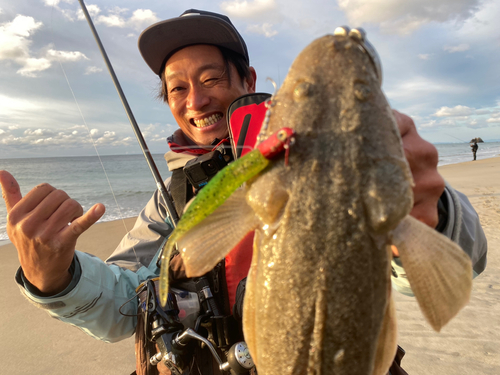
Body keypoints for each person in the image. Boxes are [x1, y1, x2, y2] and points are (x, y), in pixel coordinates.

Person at [0, 9, 488, 375]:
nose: (197, 100)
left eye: (211, 78)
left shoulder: (329, 150)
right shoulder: (173, 198)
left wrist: (433, 210)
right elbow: (130, 303)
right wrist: (55, 279)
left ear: (250, 82)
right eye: (177, 89)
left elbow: (449, 266)